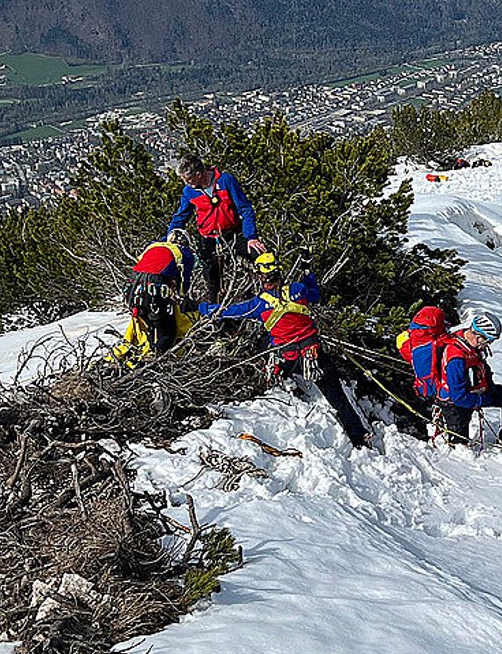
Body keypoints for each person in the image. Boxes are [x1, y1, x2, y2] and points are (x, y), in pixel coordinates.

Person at [199, 251, 368, 448]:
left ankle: (278, 380)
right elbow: (316, 295)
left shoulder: (259, 304)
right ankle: (359, 438)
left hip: (286, 359)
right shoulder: (299, 290)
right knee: (338, 400)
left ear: (261, 278)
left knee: (265, 341)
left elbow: (226, 312)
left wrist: (198, 307)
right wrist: (307, 273)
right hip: (313, 354)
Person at [167, 155, 262, 303]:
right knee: (213, 282)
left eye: (188, 178)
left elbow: (245, 208)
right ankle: (219, 317)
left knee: (262, 257)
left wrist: (251, 237)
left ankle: (270, 298)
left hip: (233, 234)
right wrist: (171, 235)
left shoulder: (225, 181)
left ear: (198, 174)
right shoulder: (189, 192)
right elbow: (181, 216)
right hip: (208, 239)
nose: (186, 183)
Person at [435, 309, 502, 446]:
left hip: (475, 391)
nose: (488, 345)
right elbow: (458, 397)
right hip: (455, 402)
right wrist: (481, 400)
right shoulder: (456, 358)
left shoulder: (468, 342)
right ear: (477, 335)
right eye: (488, 340)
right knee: (459, 443)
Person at [114, 234, 195, 363]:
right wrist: (183, 299)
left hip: (133, 290)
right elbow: (184, 283)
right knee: (168, 331)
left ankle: (149, 352)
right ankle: (154, 361)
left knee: (150, 325)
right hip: (154, 291)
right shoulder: (184, 253)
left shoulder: (153, 247)